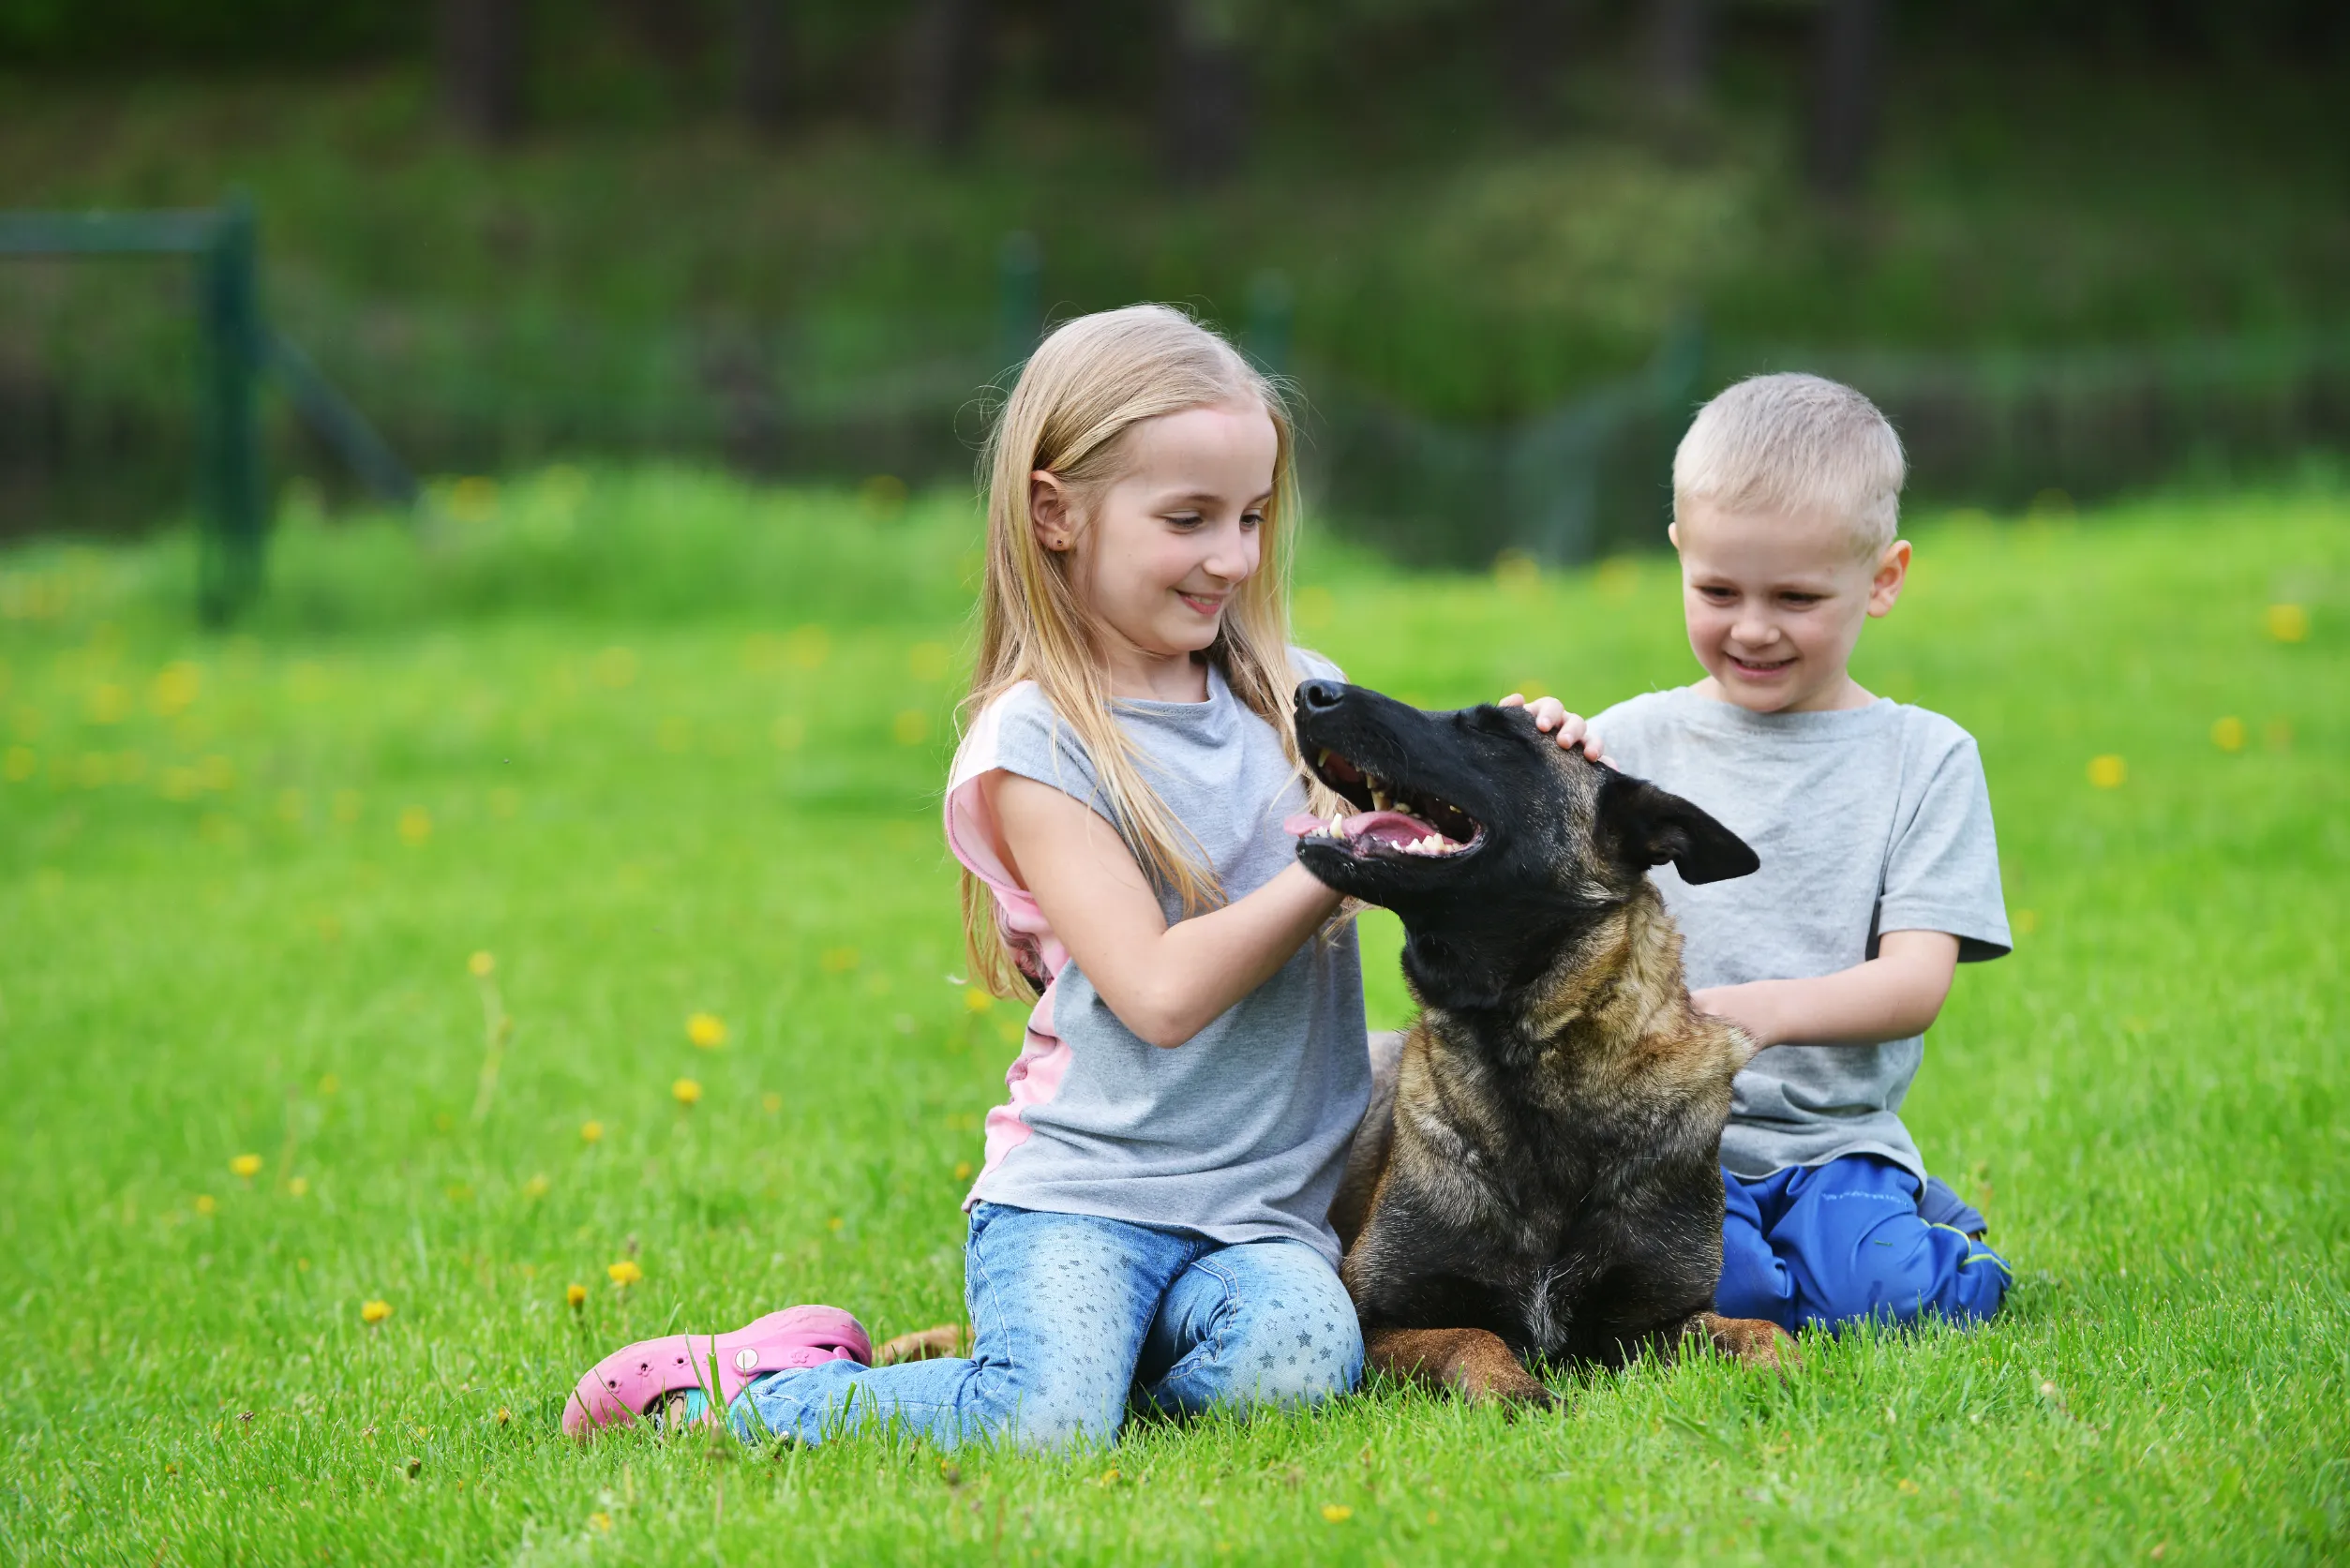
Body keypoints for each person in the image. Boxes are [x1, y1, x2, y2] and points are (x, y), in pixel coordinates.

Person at [567, 304, 1391, 1451]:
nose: (1233, 558)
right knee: (1042, 1426)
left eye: (1251, 517)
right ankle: (738, 1387)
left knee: (1295, 1367)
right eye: (1188, 518)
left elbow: (1437, 816)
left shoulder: (1297, 694)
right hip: (1082, 1201)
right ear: (1056, 513)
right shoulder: (1037, 741)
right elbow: (1155, 993)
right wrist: (1336, 860)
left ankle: (1064, 1370)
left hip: (1261, 1217)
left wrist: (1525, 752)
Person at [1524, 372, 2013, 1335]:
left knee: (1888, 1301)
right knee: (1714, 1295)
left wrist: (1761, 1011)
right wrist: (1532, 763)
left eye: (1794, 596)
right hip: (1663, 1145)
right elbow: (1538, 911)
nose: (1750, 627)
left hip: (1834, 1138)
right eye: (1715, 590)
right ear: (1678, 555)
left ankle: (1926, 1230)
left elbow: (1914, 982)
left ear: (1881, 579)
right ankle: (1809, 1249)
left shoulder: (1924, 758)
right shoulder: (1628, 743)